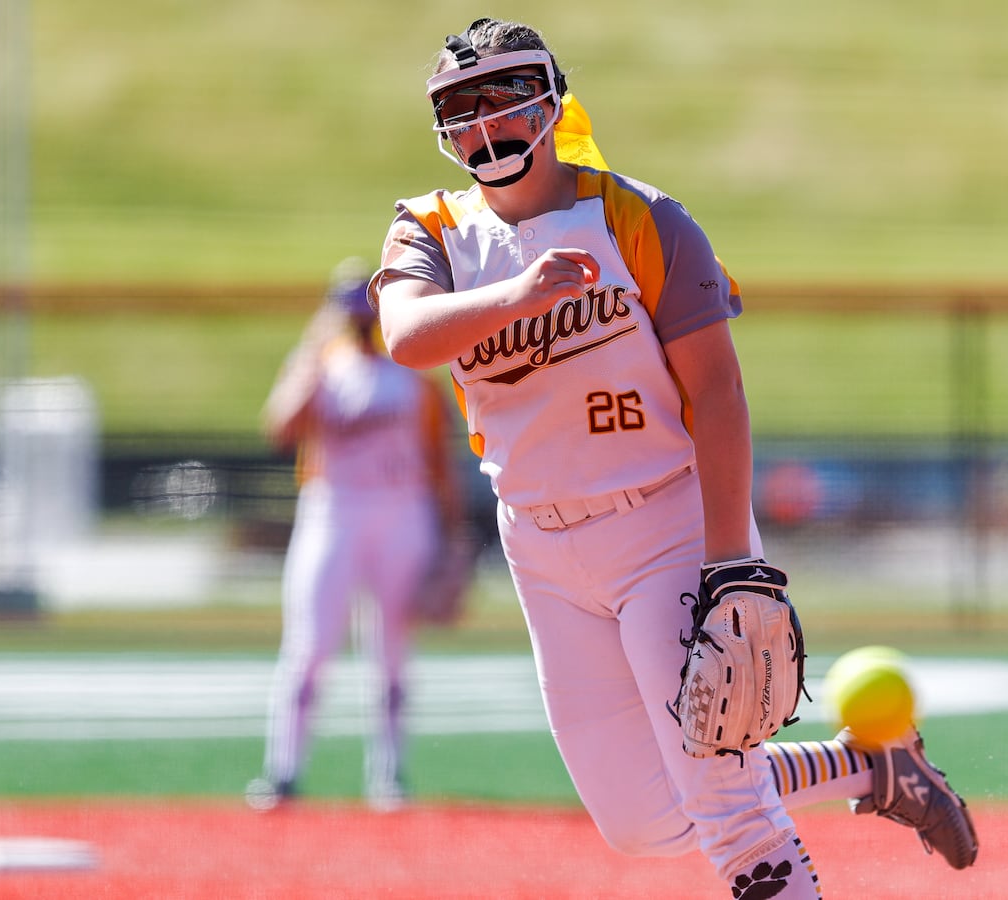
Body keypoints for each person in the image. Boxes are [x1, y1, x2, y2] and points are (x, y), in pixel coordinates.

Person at [368, 17, 977, 896]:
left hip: (663, 522)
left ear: (548, 100)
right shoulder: (428, 227)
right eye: (458, 109)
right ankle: (871, 768)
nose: (480, 124)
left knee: (725, 811)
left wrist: (732, 558)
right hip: (539, 545)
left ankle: (845, 794)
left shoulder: (640, 218)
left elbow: (718, 394)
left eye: (498, 97)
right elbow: (408, 335)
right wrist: (519, 292)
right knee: (646, 823)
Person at [247, 258, 466, 812]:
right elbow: (280, 426)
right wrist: (314, 344)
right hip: (334, 508)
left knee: (391, 648)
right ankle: (284, 770)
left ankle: (388, 774)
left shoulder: (413, 370)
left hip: (402, 509)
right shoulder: (322, 364)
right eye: (351, 312)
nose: (361, 322)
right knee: (309, 644)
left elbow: (440, 462)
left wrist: (454, 540)